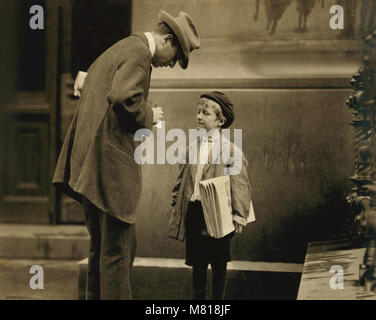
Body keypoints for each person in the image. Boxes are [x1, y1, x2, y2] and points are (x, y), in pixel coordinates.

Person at [52, 10, 200, 300]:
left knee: (101, 253)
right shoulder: (139, 54)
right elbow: (123, 97)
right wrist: (149, 114)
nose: (170, 64)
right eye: (175, 56)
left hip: (89, 168)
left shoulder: (120, 47)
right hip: (109, 173)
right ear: (167, 39)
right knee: (118, 253)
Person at [168, 91, 254, 300]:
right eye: (198, 112)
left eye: (205, 113)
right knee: (198, 267)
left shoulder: (231, 151)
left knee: (219, 265)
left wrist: (238, 214)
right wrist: (176, 206)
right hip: (195, 214)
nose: (198, 116)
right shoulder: (190, 149)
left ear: (220, 121)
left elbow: (240, 185)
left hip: (219, 215)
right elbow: (180, 182)